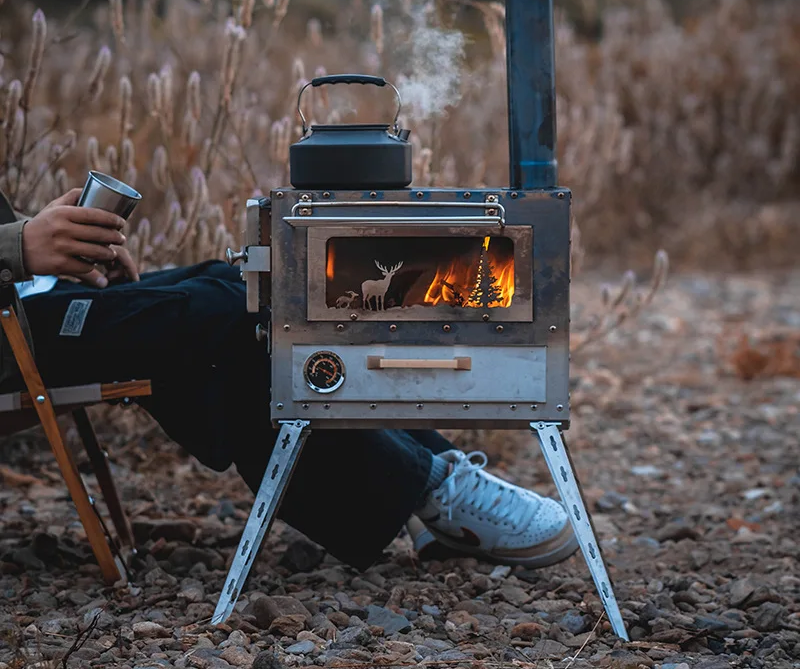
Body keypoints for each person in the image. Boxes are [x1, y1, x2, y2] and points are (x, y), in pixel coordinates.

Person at [0, 187, 579, 570]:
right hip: (12, 336)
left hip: (32, 298)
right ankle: (434, 492)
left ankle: (428, 484)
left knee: (243, 289)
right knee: (228, 326)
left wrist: (46, 243)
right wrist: (18, 246)